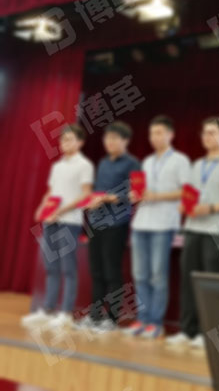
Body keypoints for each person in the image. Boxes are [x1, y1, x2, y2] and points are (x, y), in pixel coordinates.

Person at [166, 117, 219, 348]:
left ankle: (207, 333)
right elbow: (188, 194)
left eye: (212, 133)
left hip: (216, 231)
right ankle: (187, 330)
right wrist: (184, 206)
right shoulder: (196, 165)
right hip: (192, 228)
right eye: (204, 133)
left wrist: (210, 208)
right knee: (188, 281)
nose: (207, 137)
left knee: (210, 283)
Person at [22, 124, 94, 329]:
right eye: (63, 140)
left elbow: (86, 195)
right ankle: (48, 309)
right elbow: (51, 192)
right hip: (51, 220)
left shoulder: (84, 165)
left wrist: (61, 210)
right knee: (50, 266)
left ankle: (66, 313)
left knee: (68, 268)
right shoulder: (57, 166)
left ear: (80, 142)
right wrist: (41, 208)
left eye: (70, 139)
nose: (65, 143)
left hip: (69, 221)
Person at [125, 115, 191, 339]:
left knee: (157, 276)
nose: (154, 137)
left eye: (159, 133)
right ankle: (142, 318)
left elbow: (187, 191)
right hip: (141, 222)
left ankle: (156, 322)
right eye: (152, 133)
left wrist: (157, 196)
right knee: (139, 274)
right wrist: (136, 195)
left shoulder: (180, 160)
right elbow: (142, 189)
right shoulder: (147, 161)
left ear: (170, 135)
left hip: (163, 223)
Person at [77, 121, 140, 333]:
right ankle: (95, 315)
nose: (109, 142)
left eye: (114, 138)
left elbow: (135, 193)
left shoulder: (132, 163)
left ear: (125, 141)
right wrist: (92, 201)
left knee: (112, 271)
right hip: (96, 221)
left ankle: (112, 319)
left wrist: (108, 198)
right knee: (96, 271)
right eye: (107, 138)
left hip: (117, 223)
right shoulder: (103, 163)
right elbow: (98, 190)